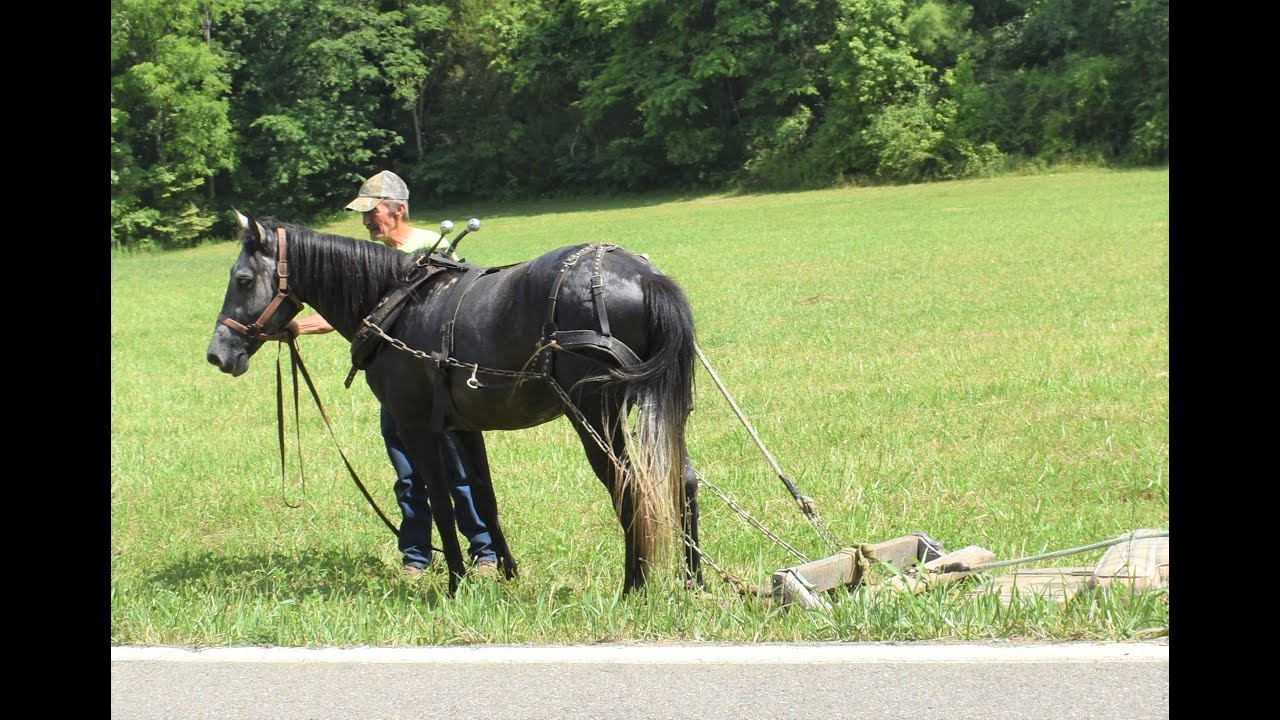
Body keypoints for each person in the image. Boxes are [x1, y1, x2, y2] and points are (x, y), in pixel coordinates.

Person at [286, 170, 498, 578]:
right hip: (395, 388)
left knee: (456, 470)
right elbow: (340, 317)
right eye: (363, 213)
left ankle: (484, 552)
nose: (366, 220)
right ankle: (416, 558)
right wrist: (294, 327)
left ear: (399, 210)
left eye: (372, 211)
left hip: (436, 388)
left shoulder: (430, 248)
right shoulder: (367, 263)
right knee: (408, 475)